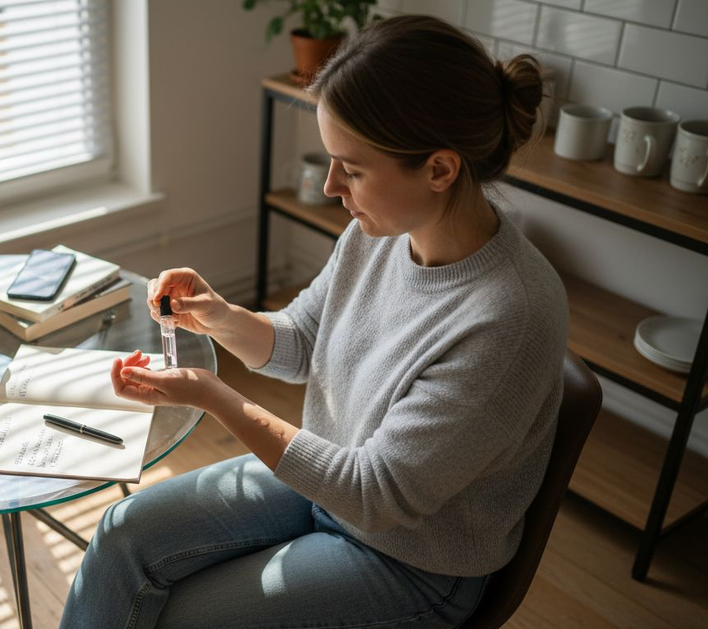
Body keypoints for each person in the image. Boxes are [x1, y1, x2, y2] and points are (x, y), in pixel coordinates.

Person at [60, 14, 567, 629]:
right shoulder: (379, 233)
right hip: (329, 482)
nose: (332, 187)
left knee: (185, 618)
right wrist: (217, 316)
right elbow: (301, 342)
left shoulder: (508, 317)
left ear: (439, 169)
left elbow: (375, 494)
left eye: (351, 170)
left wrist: (217, 399)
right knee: (121, 534)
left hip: (409, 560)